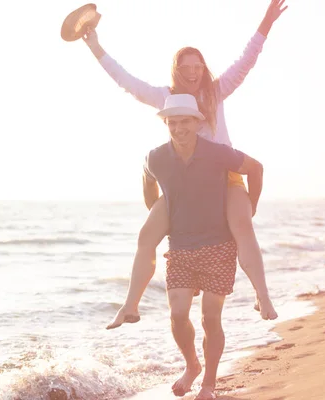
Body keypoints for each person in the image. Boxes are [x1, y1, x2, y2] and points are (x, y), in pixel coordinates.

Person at [86, 0, 287, 323]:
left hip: (224, 176)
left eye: (197, 66)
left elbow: (247, 59)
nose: (193, 72)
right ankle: (130, 306)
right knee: (146, 235)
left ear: (203, 69)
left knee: (243, 228)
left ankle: (263, 298)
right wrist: (96, 48)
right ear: (176, 71)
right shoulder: (165, 98)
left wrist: (266, 22)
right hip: (182, 183)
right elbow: (125, 81)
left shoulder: (217, 91)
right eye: (186, 67)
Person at [138, 93, 263, 399]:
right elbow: (148, 181)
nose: (178, 128)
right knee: (178, 313)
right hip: (182, 245)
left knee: (210, 317)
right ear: (166, 123)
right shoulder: (157, 157)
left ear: (196, 123)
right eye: (172, 122)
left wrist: (251, 205)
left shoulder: (217, 152)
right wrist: (162, 212)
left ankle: (208, 383)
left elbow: (256, 168)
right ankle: (191, 365)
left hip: (218, 243)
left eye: (184, 122)